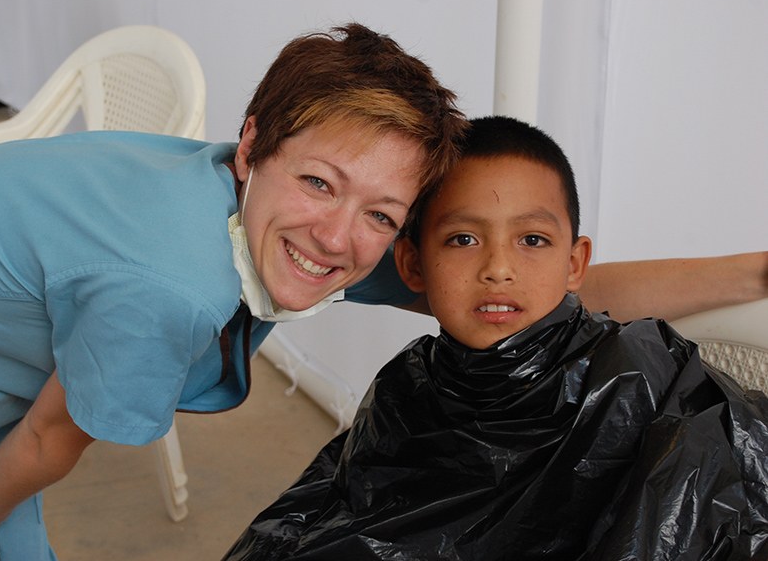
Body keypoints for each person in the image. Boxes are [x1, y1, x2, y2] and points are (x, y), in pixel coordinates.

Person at [0, 22, 763, 560]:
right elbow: (48, 434)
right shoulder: (168, 283)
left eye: (382, 212)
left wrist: (752, 273)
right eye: (321, 183)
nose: (339, 239)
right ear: (254, 143)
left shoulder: (304, 225)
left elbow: (541, 292)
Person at [223, 116, 768, 560]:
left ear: (574, 262)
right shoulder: (408, 387)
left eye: (532, 239)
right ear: (412, 263)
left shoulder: (639, 384)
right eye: (463, 238)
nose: (498, 268)